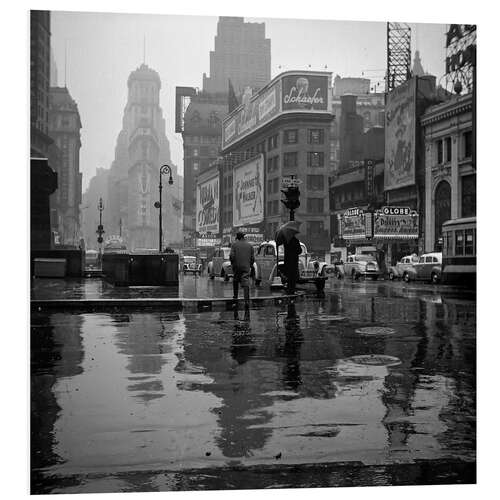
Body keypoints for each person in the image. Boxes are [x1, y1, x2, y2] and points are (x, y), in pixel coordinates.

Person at [229, 231, 255, 307]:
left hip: (237, 266)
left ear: (238, 238)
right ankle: (247, 300)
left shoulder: (234, 245)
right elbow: (253, 258)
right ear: (243, 237)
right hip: (246, 267)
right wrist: (249, 265)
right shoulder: (250, 246)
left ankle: (235, 297)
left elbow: (231, 256)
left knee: (236, 280)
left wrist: (233, 264)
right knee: (246, 282)